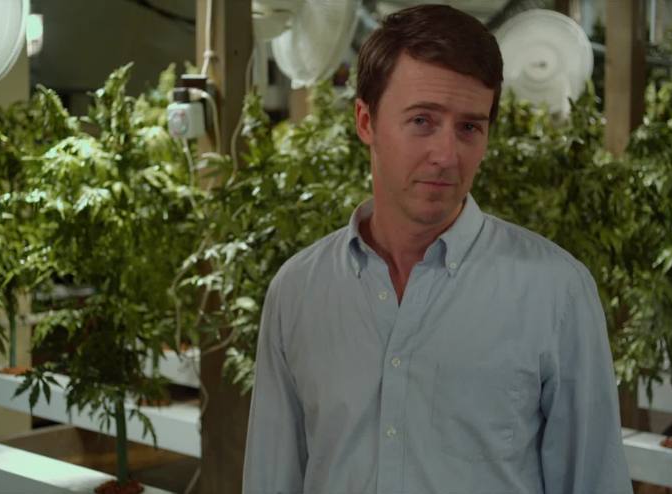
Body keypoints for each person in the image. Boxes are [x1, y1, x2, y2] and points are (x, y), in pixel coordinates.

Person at [243, 4, 632, 494]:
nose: (447, 155)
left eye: (469, 127)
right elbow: (271, 479)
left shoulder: (556, 293)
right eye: (422, 120)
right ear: (365, 121)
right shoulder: (298, 292)